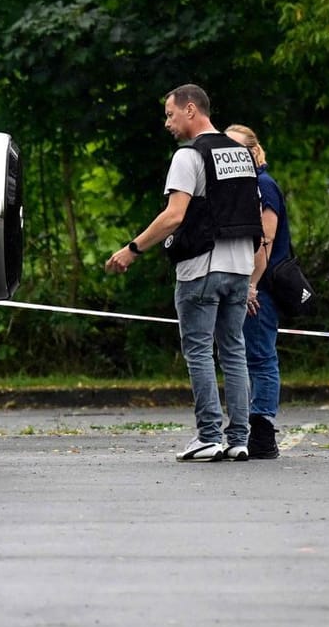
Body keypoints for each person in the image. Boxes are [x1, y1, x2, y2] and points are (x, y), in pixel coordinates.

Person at [104, 85, 263, 461]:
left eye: (170, 114)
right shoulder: (242, 153)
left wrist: (132, 249)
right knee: (234, 352)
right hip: (240, 268)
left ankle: (209, 435)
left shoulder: (189, 156)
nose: (167, 123)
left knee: (198, 351)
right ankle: (239, 439)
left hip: (202, 268)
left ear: (191, 110)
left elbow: (175, 215)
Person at [224, 123, 290, 459]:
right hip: (249, 283)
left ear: (252, 151)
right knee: (247, 356)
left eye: (236, 148)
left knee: (260, 356)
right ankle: (251, 427)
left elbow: (265, 242)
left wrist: (250, 286)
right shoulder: (246, 187)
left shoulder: (263, 186)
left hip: (260, 286)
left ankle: (263, 432)